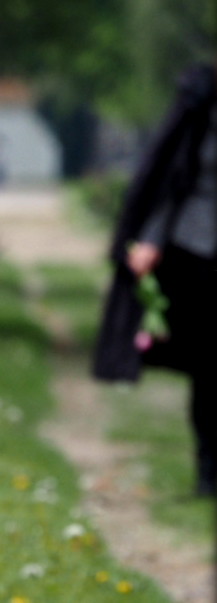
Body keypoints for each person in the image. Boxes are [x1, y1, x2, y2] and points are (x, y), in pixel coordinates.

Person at [94, 62, 216, 496]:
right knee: (208, 366)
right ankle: (208, 467)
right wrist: (149, 240)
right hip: (197, 250)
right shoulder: (201, 101)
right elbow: (169, 181)